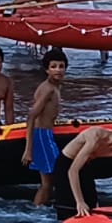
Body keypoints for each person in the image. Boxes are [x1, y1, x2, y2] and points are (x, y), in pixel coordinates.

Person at [54, 116, 112, 219]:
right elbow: (73, 171)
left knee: (91, 203)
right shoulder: (96, 136)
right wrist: (80, 202)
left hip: (85, 165)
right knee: (71, 205)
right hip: (67, 164)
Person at [20, 49, 69, 206]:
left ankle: (41, 209)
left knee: (50, 180)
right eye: (54, 66)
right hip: (42, 136)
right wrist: (28, 150)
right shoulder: (47, 89)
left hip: (46, 134)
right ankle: (37, 211)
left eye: (61, 66)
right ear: (47, 69)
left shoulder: (55, 88)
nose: (58, 70)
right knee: (50, 180)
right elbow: (31, 116)